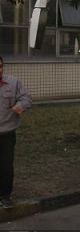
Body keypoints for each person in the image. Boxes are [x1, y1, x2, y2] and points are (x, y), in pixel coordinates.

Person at [0, 55, 32, 208]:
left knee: (6, 166)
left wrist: (21, 105)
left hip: (7, 133)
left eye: (0, 66)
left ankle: (5, 196)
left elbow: (26, 98)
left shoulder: (13, 82)